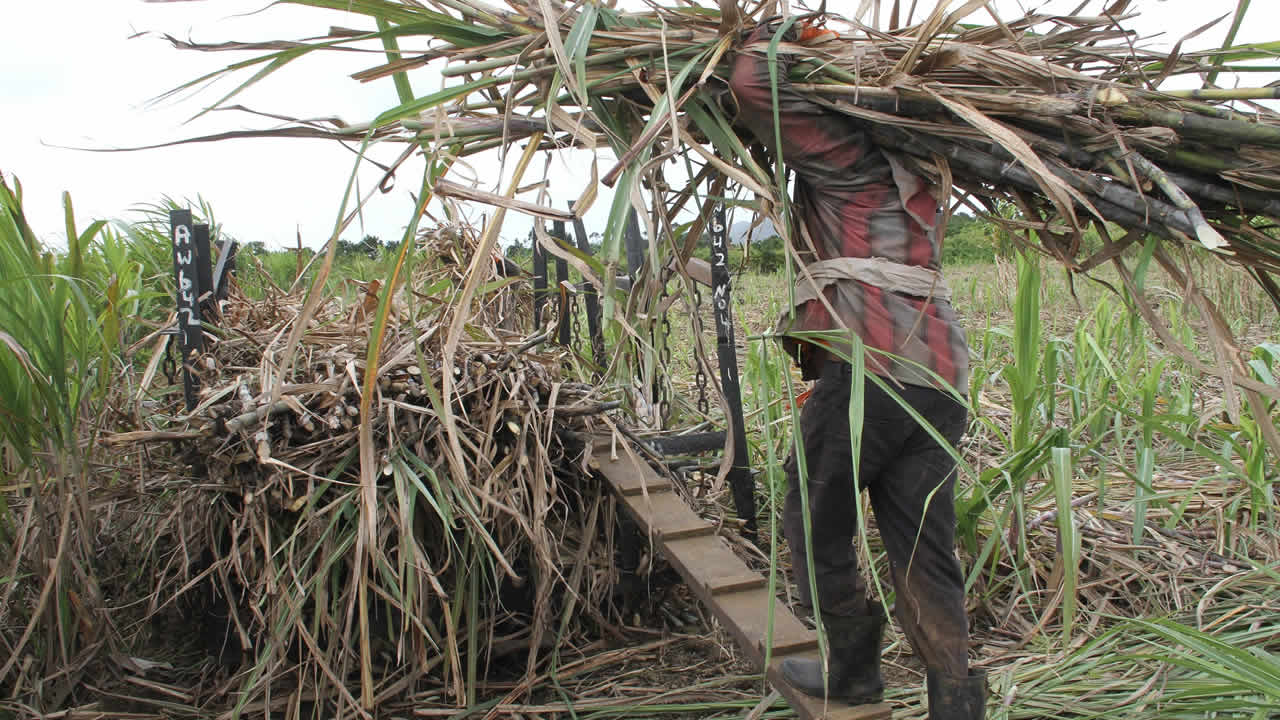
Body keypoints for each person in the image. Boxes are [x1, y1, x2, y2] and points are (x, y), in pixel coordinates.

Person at [725, 21, 986, 720]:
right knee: (922, 543)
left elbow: (753, 85)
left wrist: (771, 32)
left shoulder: (851, 161)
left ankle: (853, 672)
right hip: (939, 379)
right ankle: (956, 699)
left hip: (870, 374)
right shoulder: (927, 172)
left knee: (813, 520)